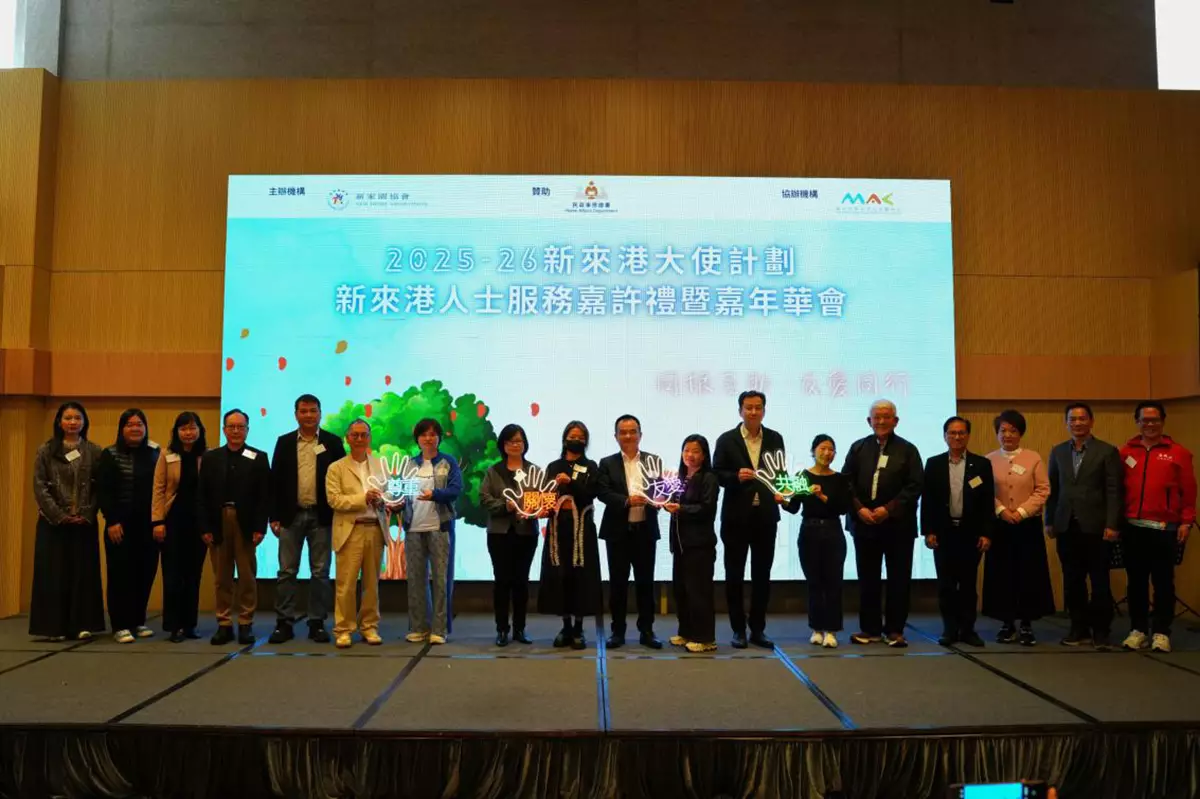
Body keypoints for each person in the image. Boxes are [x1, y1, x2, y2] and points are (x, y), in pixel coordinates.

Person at [842, 399, 924, 648]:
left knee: (899, 579)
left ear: (895, 421)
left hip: (898, 526)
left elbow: (915, 486)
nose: (881, 421)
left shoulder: (908, 450)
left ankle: (895, 630)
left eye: (886, 416)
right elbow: (846, 482)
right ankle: (870, 629)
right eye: (876, 417)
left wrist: (887, 509)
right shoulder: (858, 448)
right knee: (868, 579)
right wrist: (860, 509)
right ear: (869, 421)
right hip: (864, 524)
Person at [1118, 401, 1195, 653]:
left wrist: (1186, 521)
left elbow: (1189, 491)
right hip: (1132, 528)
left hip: (1165, 528)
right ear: (1137, 422)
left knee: (1163, 582)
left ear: (1162, 421)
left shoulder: (1179, 453)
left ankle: (1162, 632)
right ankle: (1138, 630)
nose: (1149, 424)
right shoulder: (1125, 452)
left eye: (1154, 420)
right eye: (1144, 420)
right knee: (1136, 582)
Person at [1046, 402, 1123, 650]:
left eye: (1082, 418)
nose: (1077, 423)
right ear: (1066, 423)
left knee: (1099, 581)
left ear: (1091, 421)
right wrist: (1049, 520)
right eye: (1072, 419)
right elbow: (1052, 489)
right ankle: (1078, 628)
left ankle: (1101, 631)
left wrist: (1112, 524)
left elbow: (1114, 491)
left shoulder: (1107, 451)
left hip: (1097, 527)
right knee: (1072, 581)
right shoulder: (1058, 451)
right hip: (1066, 526)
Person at [712, 391, 786, 649]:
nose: (753, 412)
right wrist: (735, 476)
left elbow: (780, 473)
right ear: (740, 411)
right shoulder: (726, 439)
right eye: (748, 407)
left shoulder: (775, 438)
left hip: (766, 516)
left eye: (758, 407)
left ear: (764, 410)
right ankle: (738, 630)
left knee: (762, 575)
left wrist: (785, 492)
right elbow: (716, 474)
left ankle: (758, 629)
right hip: (736, 517)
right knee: (734, 575)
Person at [268, 394, 343, 645]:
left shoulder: (332, 442)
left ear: (320, 413)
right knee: (286, 571)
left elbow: (341, 479)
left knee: (320, 572)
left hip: (322, 517)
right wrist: (274, 516)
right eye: (303, 411)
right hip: (291, 516)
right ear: (296, 414)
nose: (308, 415)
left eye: (313, 411)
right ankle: (284, 623)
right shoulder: (285, 442)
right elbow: (275, 481)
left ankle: (316, 622)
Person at [29, 402, 105, 641]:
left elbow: (100, 487)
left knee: (83, 574)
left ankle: (82, 624)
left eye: (77, 418)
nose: (73, 422)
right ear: (59, 422)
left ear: (84, 422)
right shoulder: (46, 450)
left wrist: (87, 514)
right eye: (68, 418)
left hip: (84, 522)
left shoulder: (94, 451)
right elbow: (40, 486)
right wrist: (60, 516)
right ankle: (54, 628)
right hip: (53, 523)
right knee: (53, 575)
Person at [197, 408, 271, 645]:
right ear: (224, 430)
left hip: (246, 523)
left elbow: (264, 496)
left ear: (247, 430)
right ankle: (224, 623)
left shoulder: (258, 457)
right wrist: (205, 527)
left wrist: (260, 527)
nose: (236, 431)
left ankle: (246, 623)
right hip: (218, 521)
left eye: (241, 427)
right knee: (222, 577)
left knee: (247, 576)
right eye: (231, 427)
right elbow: (202, 495)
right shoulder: (211, 458)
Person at [982, 409, 1055, 646]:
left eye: (1013, 430)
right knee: (1002, 574)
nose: (1007, 435)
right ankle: (1007, 623)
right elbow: (984, 492)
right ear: (997, 433)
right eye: (1003, 431)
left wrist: (1022, 512)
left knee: (1028, 574)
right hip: (1000, 525)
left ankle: (1026, 624)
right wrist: (1002, 511)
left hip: (1027, 526)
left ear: (1020, 433)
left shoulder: (1033, 458)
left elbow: (1043, 489)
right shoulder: (988, 460)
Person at [921, 417, 994, 647]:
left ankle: (968, 630)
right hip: (944, 533)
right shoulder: (934, 464)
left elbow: (987, 502)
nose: (957, 437)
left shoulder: (981, 464)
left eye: (961, 433)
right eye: (952, 433)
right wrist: (928, 531)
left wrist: (986, 533)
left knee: (969, 585)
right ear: (945, 436)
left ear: (968, 436)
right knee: (946, 585)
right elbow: (927, 500)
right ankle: (949, 629)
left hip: (971, 534)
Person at [325, 419, 398, 648]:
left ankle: (369, 626)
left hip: (375, 528)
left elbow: (388, 495)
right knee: (345, 584)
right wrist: (362, 498)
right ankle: (343, 629)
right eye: (354, 435)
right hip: (350, 530)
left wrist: (387, 501)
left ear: (369, 438)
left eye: (363, 435)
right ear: (347, 438)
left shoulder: (380, 465)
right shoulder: (336, 468)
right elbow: (334, 500)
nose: (359, 439)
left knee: (371, 584)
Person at [597, 414, 663, 649]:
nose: (628, 436)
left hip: (645, 531)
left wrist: (659, 499)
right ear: (615, 436)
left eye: (632, 431)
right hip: (617, 532)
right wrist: (626, 501)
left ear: (640, 435)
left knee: (646, 583)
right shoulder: (607, 463)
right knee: (618, 584)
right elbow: (602, 492)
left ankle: (647, 631)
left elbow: (660, 491)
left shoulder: (653, 461)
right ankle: (617, 631)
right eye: (623, 432)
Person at [780, 434, 852, 648]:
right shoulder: (802, 476)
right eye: (822, 448)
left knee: (833, 581)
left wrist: (822, 497)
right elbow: (794, 507)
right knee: (814, 582)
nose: (827, 453)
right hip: (809, 532)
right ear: (813, 451)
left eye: (831, 449)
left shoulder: (840, 478)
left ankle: (832, 630)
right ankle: (816, 628)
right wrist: (783, 500)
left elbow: (843, 508)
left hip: (833, 532)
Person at [97, 409, 161, 644]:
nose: (135, 428)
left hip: (148, 524)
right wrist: (112, 520)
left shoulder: (155, 453)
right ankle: (120, 625)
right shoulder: (110, 454)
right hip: (119, 524)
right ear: (121, 428)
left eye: (139, 424)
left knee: (144, 573)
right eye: (130, 424)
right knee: (120, 574)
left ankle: (138, 620)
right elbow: (104, 491)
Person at [538, 421, 603, 649]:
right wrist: (541, 508)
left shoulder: (590, 466)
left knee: (581, 576)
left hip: (582, 529)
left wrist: (571, 483)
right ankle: (565, 626)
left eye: (581, 437)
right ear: (564, 439)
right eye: (572, 436)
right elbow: (546, 495)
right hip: (558, 529)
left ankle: (578, 628)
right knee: (560, 575)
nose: (576, 440)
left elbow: (590, 494)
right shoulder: (554, 466)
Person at [479, 423, 544, 646]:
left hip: (526, 533)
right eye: (510, 441)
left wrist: (534, 508)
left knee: (521, 582)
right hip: (499, 533)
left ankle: (520, 629)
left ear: (525, 444)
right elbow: (484, 498)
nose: (515, 445)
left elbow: (543, 498)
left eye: (519, 441)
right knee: (502, 581)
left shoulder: (534, 471)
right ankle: (501, 629)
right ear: (503, 445)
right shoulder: (493, 471)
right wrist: (505, 506)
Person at [400, 418, 462, 645]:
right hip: (413, 528)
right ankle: (419, 627)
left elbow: (456, 489)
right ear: (417, 439)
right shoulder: (409, 464)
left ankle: (439, 629)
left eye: (433, 434)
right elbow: (401, 492)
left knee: (441, 580)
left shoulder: (448, 462)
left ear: (439, 438)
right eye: (424, 434)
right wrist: (395, 503)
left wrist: (435, 494)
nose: (428, 438)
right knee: (415, 580)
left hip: (440, 527)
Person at [152, 411, 208, 642]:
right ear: (176, 432)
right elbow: (158, 489)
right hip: (173, 521)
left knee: (194, 575)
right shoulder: (167, 455)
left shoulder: (207, 456)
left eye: (193, 428)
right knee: (173, 575)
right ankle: (174, 626)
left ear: (200, 431)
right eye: (184, 428)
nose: (188, 433)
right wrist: (157, 521)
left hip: (199, 523)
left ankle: (190, 625)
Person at [665, 434, 719, 653]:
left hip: (699, 546)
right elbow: (670, 500)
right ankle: (686, 631)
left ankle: (705, 638)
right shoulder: (679, 477)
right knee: (682, 590)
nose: (690, 455)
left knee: (699, 592)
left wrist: (681, 509)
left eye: (695, 451)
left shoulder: (709, 478)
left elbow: (707, 508)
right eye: (686, 450)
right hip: (680, 545)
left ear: (704, 455)